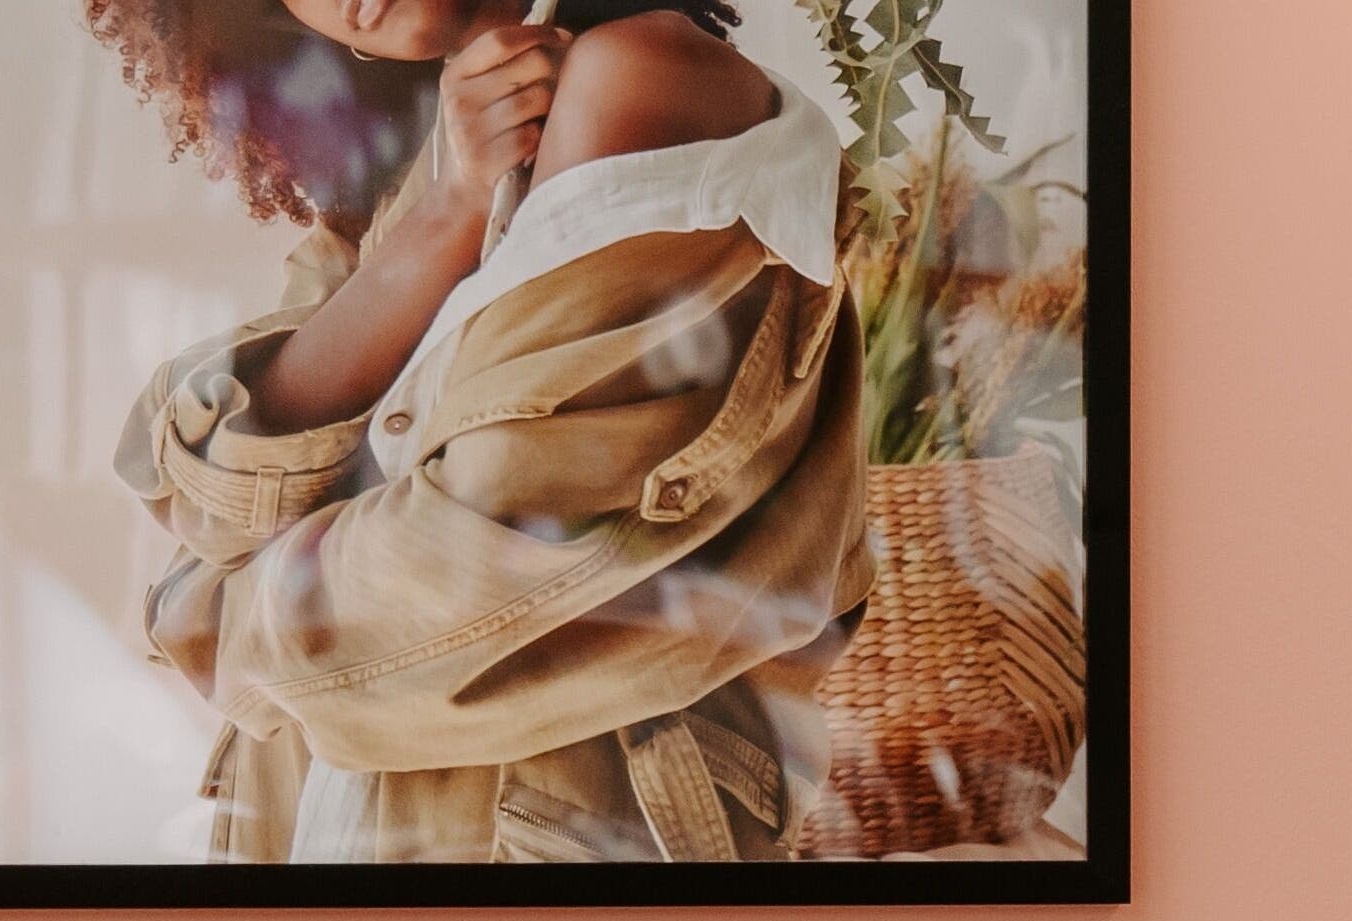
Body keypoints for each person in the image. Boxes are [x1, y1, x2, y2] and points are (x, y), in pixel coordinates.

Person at [91, 0, 873, 862]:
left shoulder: (639, 78)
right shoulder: (420, 166)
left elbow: (480, 557)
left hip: (549, 855)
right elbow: (206, 494)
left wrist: (206, 614)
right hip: (332, 826)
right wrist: (450, 211)